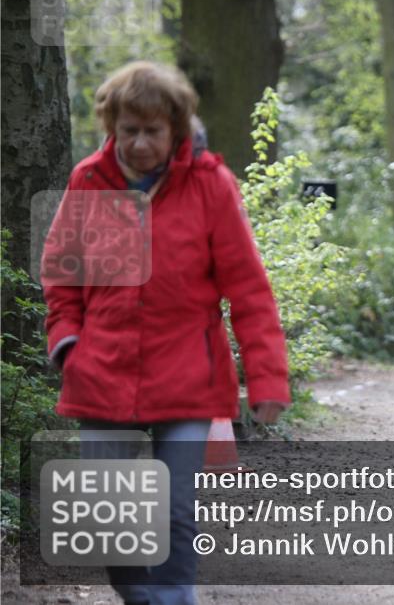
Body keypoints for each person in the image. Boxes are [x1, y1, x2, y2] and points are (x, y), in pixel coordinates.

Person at [41, 60, 289, 605]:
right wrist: (68, 341)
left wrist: (268, 379)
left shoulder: (210, 184)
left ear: (175, 127)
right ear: (112, 126)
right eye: (128, 130)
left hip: (187, 374)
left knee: (176, 509)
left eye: (152, 131)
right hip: (102, 371)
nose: (139, 143)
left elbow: (249, 290)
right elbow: (61, 271)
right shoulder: (89, 179)